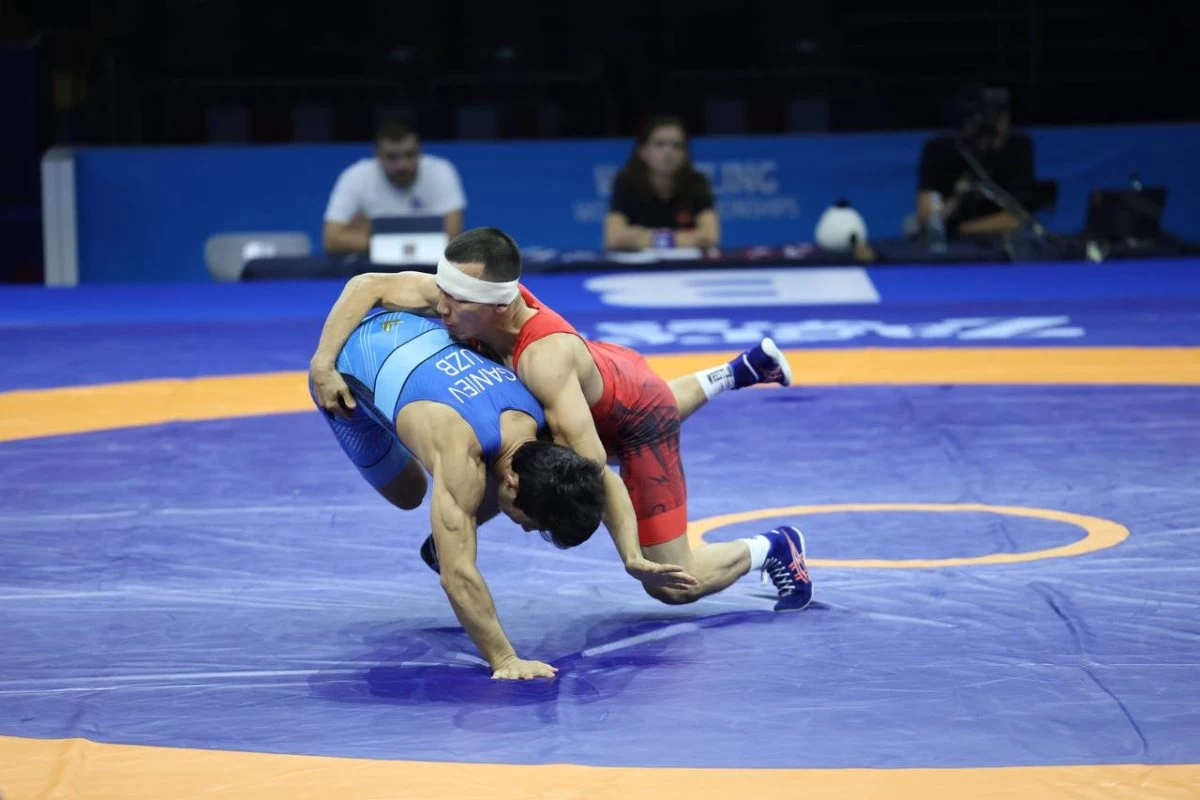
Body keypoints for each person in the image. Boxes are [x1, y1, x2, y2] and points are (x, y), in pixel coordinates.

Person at [310, 227, 813, 613]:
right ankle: (738, 371)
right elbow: (368, 285)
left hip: (637, 420)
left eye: (452, 301)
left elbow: (595, 471)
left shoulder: (541, 361)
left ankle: (773, 546)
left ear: (500, 307)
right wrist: (322, 365)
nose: (438, 307)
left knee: (674, 583)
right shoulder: (472, 296)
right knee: (501, 446)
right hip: (606, 377)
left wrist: (632, 558)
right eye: (442, 292)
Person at [314, 306, 623, 680]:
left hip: (411, 333)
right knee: (409, 494)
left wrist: (633, 555)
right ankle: (393, 419)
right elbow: (456, 575)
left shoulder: (541, 422)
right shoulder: (460, 455)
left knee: (476, 473)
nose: (527, 529)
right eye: (533, 523)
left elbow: (593, 474)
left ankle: (410, 419)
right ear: (512, 483)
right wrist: (505, 660)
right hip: (348, 365)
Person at [322, 120, 467, 255]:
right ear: (377, 155)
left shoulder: (441, 172)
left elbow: (452, 237)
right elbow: (332, 239)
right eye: (392, 157)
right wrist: (417, 240)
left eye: (409, 155)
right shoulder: (355, 176)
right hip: (372, 267)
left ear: (420, 151)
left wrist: (370, 233)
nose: (402, 165)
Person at [915, 85, 1036, 240]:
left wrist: (963, 230)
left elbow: (1017, 217)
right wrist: (955, 200)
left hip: (997, 243)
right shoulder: (941, 149)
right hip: (948, 242)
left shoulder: (1017, 147)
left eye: (1004, 115)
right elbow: (928, 215)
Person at [604, 115, 721, 251]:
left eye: (677, 146)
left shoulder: (697, 183)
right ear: (642, 151)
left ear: (685, 154)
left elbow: (710, 237)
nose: (668, 152)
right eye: (659, 144)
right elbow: (612, 239)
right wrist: (687, 238)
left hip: (685, 263)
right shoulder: (626, 183)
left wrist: (643, 237)